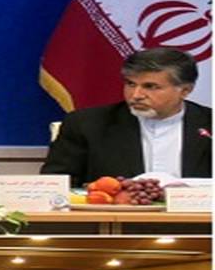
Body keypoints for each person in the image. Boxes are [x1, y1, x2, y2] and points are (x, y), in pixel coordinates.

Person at [41, 48, 211, 185]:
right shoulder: (87, 124)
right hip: (111, 215)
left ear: (185, 90)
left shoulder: (209, 124)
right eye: (130, 84)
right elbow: (56, 183)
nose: (136, 95)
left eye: (150, 86)